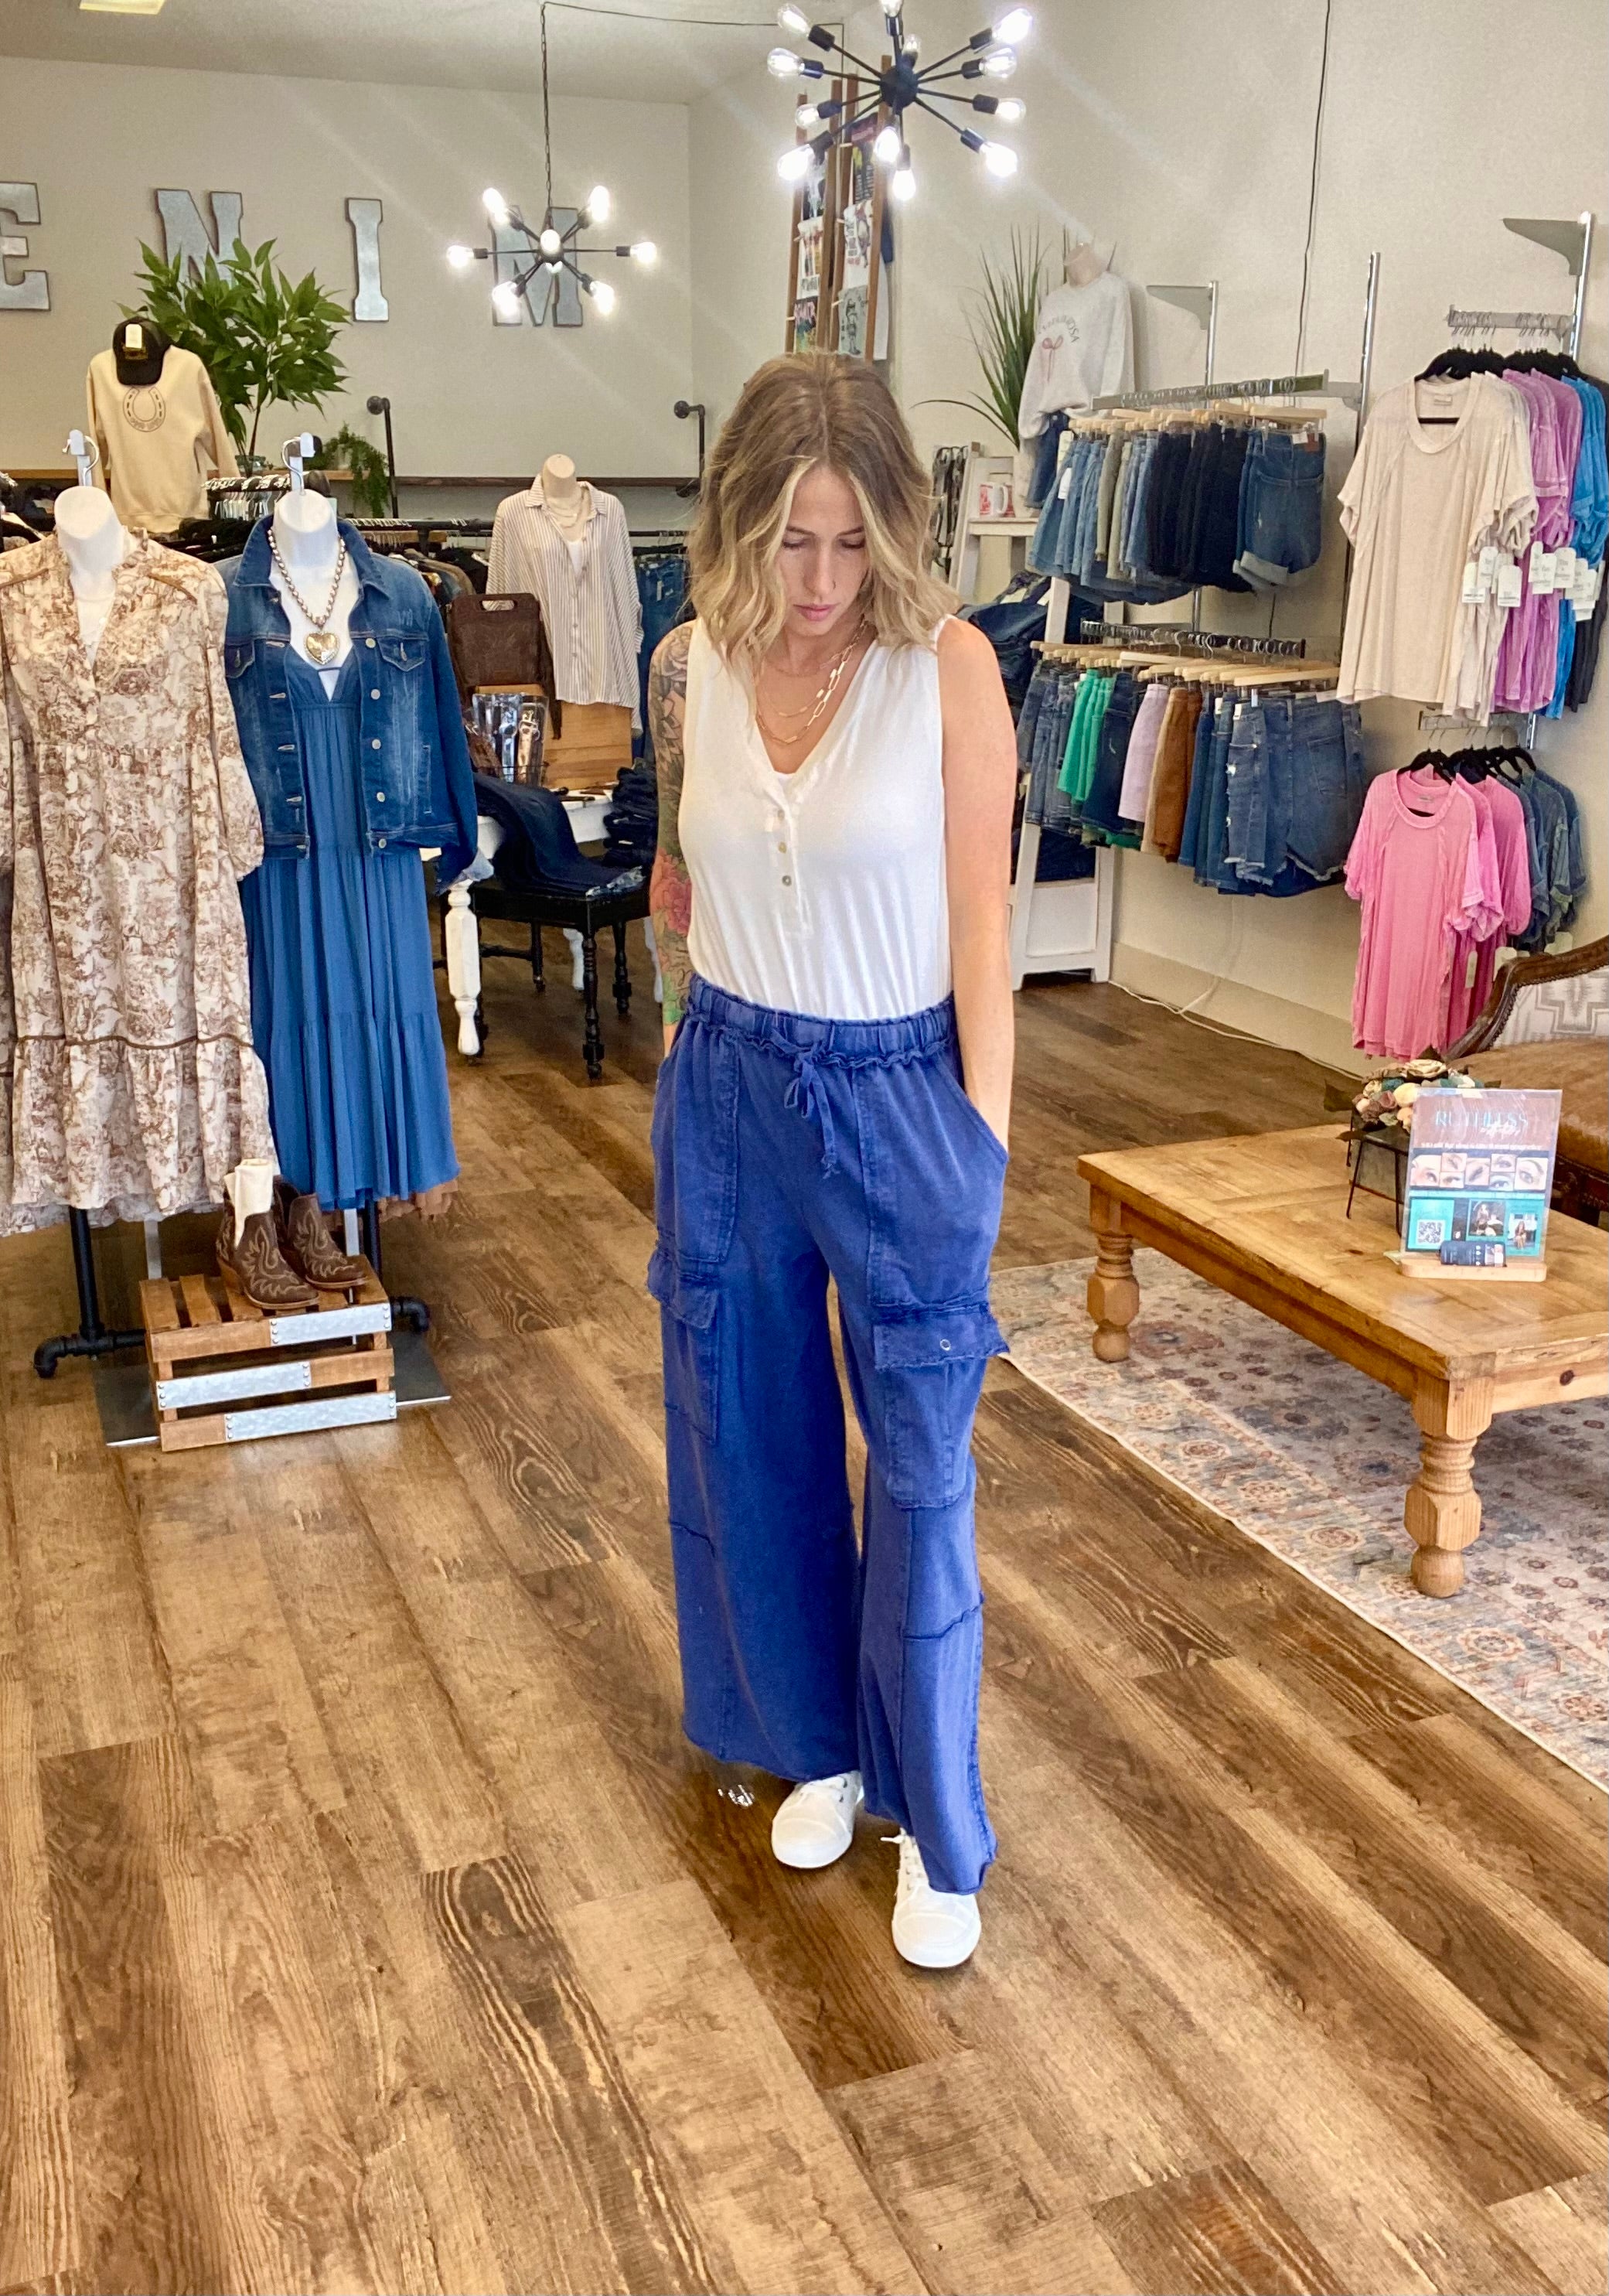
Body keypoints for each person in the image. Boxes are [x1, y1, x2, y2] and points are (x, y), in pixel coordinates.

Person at [646, 353, 1017, 1968]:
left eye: (851, 542)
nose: (818, 580)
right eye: (790, 540)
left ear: (896, 531)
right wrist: (679, 1053)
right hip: (728, 1075)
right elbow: (679, 881)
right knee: (749, 1430)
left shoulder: (949, 670)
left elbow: (985, 926)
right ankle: (818, 1745)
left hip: (897, 1090)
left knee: (922, 1465)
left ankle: (933, 1813)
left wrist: (982, 1144)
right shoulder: (698, 663)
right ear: (742, 525)